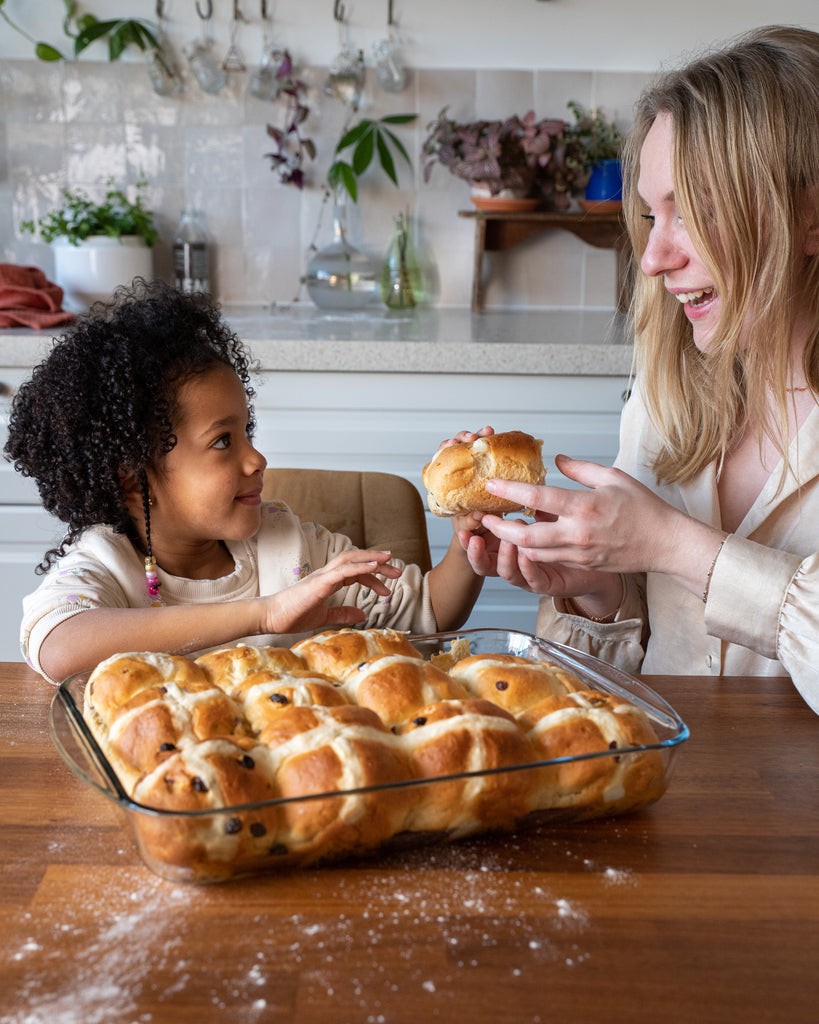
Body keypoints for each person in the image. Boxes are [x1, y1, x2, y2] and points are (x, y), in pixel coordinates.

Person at [456, 26, 819, 714]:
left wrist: (673, 545)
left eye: (697, 210)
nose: (652, 259)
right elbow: (633, 676)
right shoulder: (667, 395)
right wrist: (597, 591)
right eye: (652, 216)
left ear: (810, 216)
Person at [5, 279, 484, 684]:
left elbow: (430, 611)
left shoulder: (292, 548)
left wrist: (467, 540)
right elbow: (58, 646)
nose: (256, 459)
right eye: (222, 441)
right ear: (132, 478)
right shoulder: (108, 564)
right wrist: (266, 614)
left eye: (247, 432)